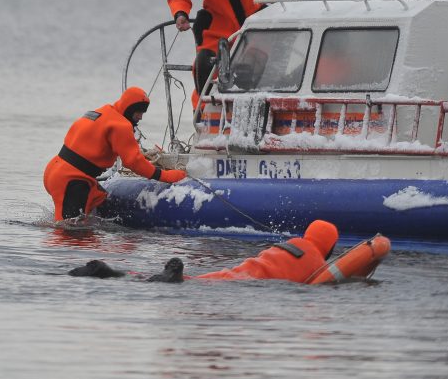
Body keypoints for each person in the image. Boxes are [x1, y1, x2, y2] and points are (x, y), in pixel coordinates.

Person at [43, 87, 187, 221]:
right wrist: (165, 176)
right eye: (139, 112)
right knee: (70, 233)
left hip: (56, 170)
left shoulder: (102, 112)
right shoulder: (121, 126)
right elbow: (133, 162)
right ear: (130, 109)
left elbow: (95, 145)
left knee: (96, 202)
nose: (141, 117)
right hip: (72, 180)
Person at [66, 220, 338, 283]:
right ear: (329, 247)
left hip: (238, 272)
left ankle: (111, 272)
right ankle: (116, 274)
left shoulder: (292, 242)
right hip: (249, 283)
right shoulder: (317, 264)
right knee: (187, 283)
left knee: (197, 281)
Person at [193, 219, 339, 282]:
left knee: (225, 276)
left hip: (251, 267)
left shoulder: (293, 242)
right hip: (260, 281)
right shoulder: (319, 267)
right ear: (329, 247)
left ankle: (186, 278)